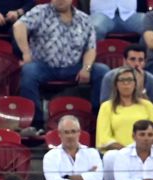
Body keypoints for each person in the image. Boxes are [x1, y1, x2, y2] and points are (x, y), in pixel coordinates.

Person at [13, 0, 109, 131]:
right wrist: (26, 53)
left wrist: (86, 68)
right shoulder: (40, 11)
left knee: (102, 71)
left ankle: (96, 118)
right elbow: (18, 26)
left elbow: (90, 48)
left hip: (73, 68)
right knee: (28, 71)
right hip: (44, 67)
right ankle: (36, 123)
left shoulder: (84, 19)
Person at [97, 67, 153, 154]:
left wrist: (141, 150)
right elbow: (104, 138)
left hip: (145, 152)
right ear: (116, 85)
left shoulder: (147, 105)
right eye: (122, 80)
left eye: (129, 80)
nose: (126, 83)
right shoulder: (106, 107)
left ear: (135, 84)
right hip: (117, 153)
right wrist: (128, 152)